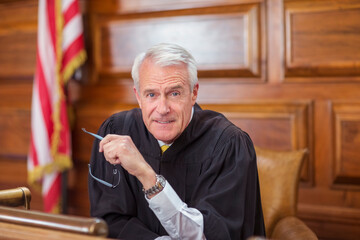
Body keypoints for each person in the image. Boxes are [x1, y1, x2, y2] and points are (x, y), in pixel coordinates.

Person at [88, 43, 266, 239]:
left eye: (174, 93)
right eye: (151, 94)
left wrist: (146, 175)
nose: (163, 108)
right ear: (138, 97)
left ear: (194, 93)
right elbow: (108, 221)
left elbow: (213, 235)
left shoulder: (228, 145)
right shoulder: (116, 132)